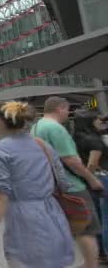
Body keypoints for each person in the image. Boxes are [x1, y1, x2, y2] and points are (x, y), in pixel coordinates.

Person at [0, 101, 74, 267]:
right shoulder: (41, 144)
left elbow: (0, 197)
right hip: (54, 215)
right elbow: (63, 182)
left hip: (24, 220)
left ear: (0, 121)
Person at [31, 96, 104, 268]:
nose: (68, 113)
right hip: (72, 185)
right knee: (87, 229)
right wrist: (92, 180)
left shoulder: (36, 127)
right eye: (67, 109)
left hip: (51, 185)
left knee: (70, 228)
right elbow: (71, 160)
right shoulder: (55, 128)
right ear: (59, 108)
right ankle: (91, 265)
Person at [73, 110, 108, 263]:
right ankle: (105, 251)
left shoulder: (76, 139)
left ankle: (101, 252)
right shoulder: (95, 141)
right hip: (101, 179)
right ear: (90, 122)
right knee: (106, 217)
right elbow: (93, 163)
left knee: (98, 217)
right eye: (97, 120)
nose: (100, 123)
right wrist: (88, 177)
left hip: (90, 182)